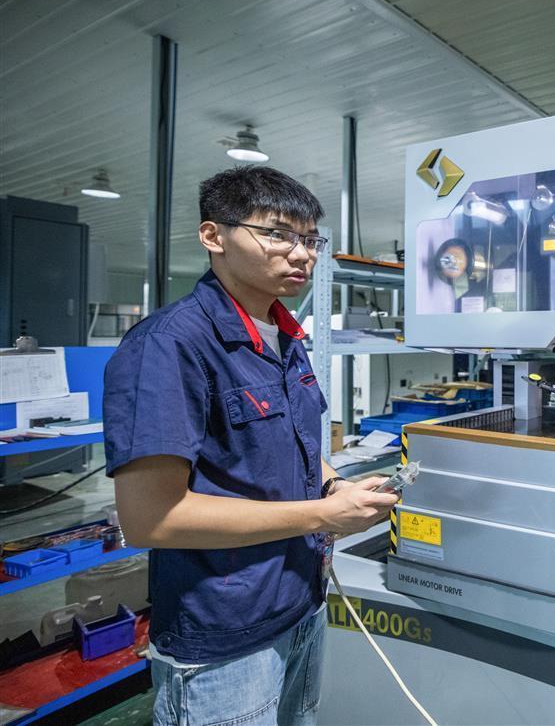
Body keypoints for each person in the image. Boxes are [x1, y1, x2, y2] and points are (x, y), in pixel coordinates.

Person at [103, 166, 398, 726]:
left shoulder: (283, 336)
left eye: (310, 239)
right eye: (278, 234)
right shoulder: (168, 346)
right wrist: (323, 516)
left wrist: (334, 484)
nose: (302, 254)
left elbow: (293, 442)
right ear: (213, 236)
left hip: (300, 604)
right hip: (225, 634)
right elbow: (150, 519)